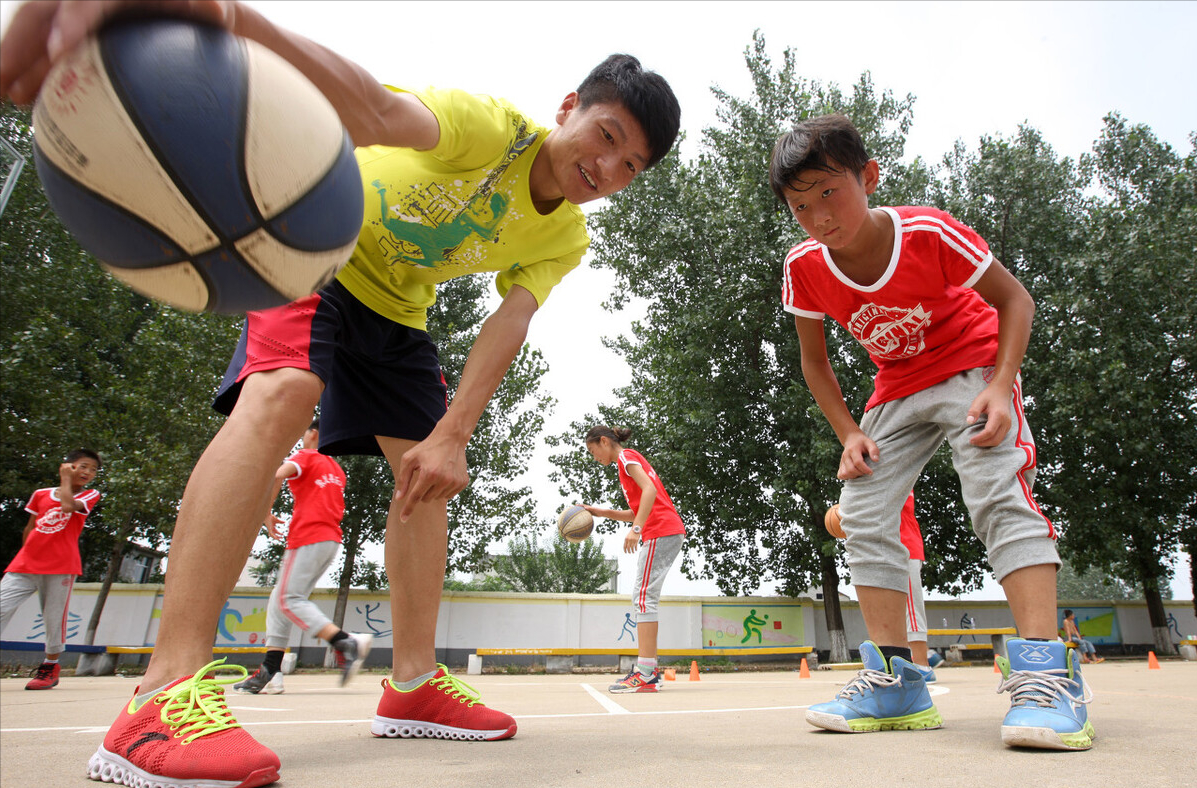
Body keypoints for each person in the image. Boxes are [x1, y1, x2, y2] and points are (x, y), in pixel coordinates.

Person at [2, 2, 680, 785]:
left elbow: (511, 319)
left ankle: (413, 683)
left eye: (630, 166)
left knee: (428, 475)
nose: (607, 168)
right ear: (568, 109)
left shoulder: (565, 236)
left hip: (398, 311)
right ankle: (161, 694)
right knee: (284, 391)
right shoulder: (490, 129)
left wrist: (454, 433)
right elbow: (370, 106)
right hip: (312, 250)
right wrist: (229, 17)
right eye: (606, 137)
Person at [772, 114, 1094, 750]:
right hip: (896, 386)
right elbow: (814, 361)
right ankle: (897, 683)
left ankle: (1047, 675)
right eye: (800, 206)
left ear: (868, 177)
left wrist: (1001, 385)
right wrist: (848, 433)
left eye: (830, 192)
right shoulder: (804, 266)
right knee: (863, 510)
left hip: (972, 366)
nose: (819, 217)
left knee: (995, 490)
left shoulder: (927, 233)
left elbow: (1016, 300)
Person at [233, 417, 372, 695]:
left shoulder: (306, 456)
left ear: (313, 434)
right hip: (329, 540)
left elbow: (277, 474)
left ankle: (345, 641)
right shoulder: (336, 469)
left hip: (308, 537)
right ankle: (271, 672)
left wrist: (265, 512)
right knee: (280, 601)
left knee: (288, 599)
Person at [582, 426, 686, 694]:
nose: (594, 457)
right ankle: (648, 671)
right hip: (666, 530)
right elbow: (638, 509)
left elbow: (649, 490)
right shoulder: (630, 459)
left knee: (643, 598)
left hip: (660, 531)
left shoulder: (626, 458)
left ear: (604, 441)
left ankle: (646, 673)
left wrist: (636, 530)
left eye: (593, 451)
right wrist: (601, 512)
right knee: (644, 598)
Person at [1, 449, 102, 690]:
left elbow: (67, 507)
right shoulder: (40, 494)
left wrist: (66, 479)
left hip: (61, 566)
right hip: (25, 565)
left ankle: (50, 666)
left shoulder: (90, 495)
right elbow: (30, 527)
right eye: (83, 466)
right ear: (68, 465)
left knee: (54, 619)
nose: (88, 472)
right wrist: (28, 553)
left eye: (93, 470)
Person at [828, 492, 938, 681]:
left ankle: (922, 664)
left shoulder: (895, 483)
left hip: (905, 546)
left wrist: (847, 512)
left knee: (911, 609)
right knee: (896, 611)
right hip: (887, 550)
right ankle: (923, 655)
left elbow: (879, 503)